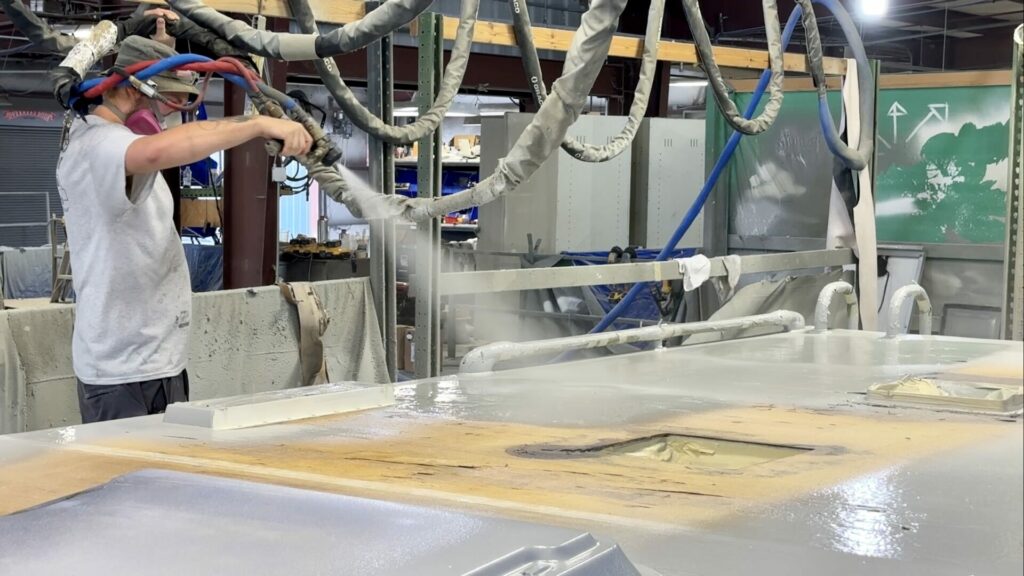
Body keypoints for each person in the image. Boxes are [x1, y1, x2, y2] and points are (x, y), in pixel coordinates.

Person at [56, 24, 312, 424]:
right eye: (170, 105)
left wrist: (162, 47)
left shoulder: (112, 142)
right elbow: (158, 150)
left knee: (166, 482)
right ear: (132, 89)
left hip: (154, 361)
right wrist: (258, 124)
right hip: (123, 371)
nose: (172, 118)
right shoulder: (99, 146)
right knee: (130, 485)